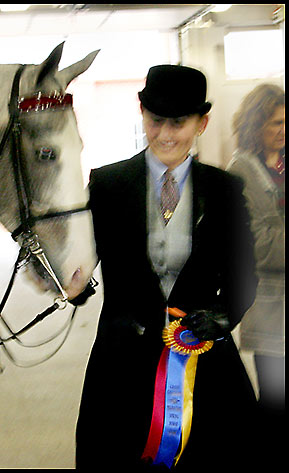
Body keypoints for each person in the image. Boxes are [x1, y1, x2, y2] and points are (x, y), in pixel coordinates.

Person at [76, 65, 258, 471]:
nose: (165, 134)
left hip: (201, 354)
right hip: (121, 358)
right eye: (156, 120)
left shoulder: (225, 190)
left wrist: (226, 314)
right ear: (142, 114)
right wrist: (74, 283)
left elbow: (244, 272)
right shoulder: (105, 184)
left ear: (201, 123)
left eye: (179, 122)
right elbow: (80, 258)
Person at [226, 84, 284, 452]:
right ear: (255, 123)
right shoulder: (242, 172)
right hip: (271, 312)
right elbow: (258, 246)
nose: (283, 129)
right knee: (277, 407)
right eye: (275, 122)